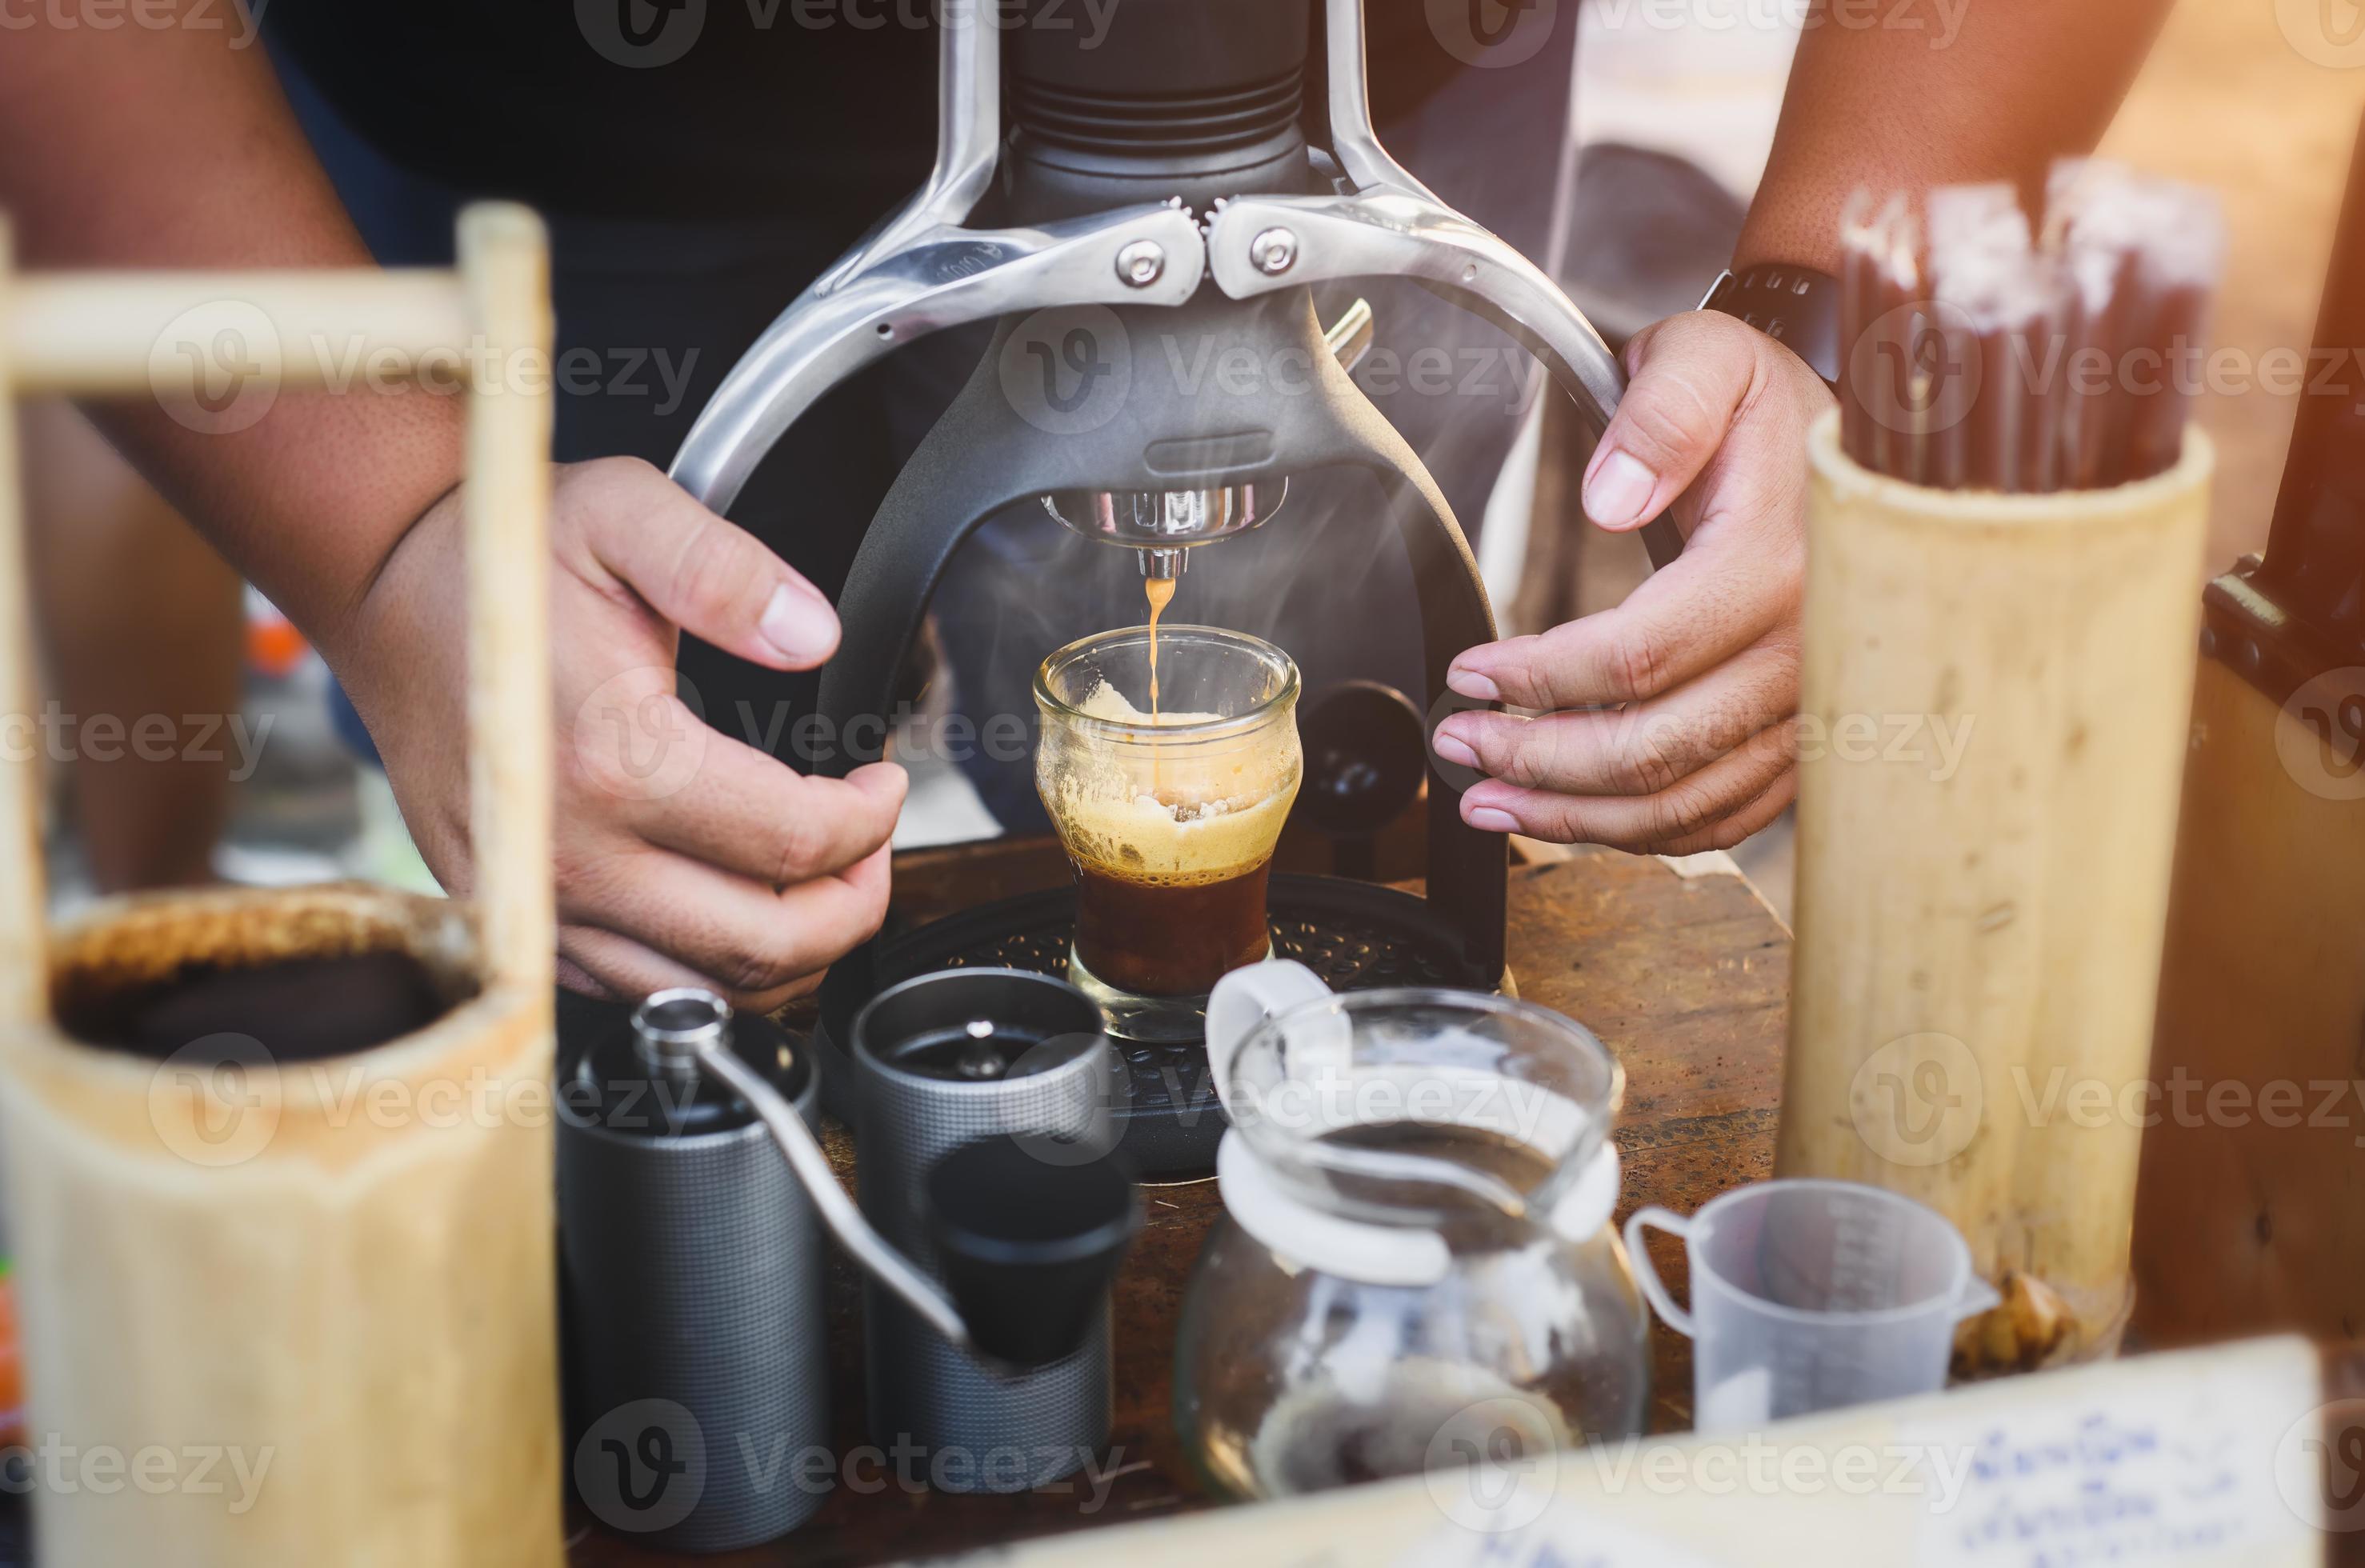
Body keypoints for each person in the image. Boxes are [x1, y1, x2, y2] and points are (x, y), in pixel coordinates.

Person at [0, 0, 2177, 1011]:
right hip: (578, 127)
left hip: (1389, 109)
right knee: (655, 882)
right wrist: (393, 541)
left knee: (1355, 816)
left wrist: (1815, 304)